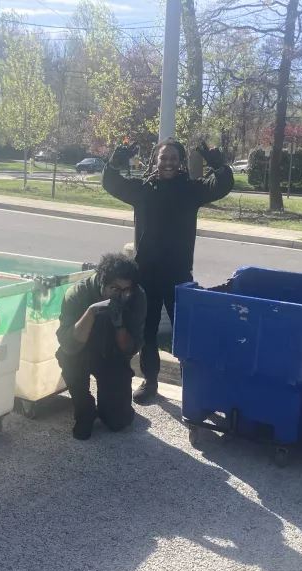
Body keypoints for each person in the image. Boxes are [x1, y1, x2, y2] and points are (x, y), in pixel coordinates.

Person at [102, 138, 234, 403]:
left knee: (184, 333)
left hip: (178, 275)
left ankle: (192, 386)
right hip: (147, 275)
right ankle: (151, 382)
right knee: (148, 332)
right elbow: (110, 182)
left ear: (181, 162)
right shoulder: (142, 189)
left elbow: (222, 185)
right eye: (163, 158)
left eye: (174, 158)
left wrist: (217, 163)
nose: (168, 163)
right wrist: (117, 160)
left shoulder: (190, 190)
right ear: (154, 161)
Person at [56, 253, 147, 440]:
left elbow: (130, 349)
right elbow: (68, 345)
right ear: (101, 283)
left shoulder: (137, 297)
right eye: (114, 289)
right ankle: (85, 409)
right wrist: (91, 312)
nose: (120, 295)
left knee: (117, 422)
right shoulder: (78, 294)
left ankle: (111, 407)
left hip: (112, 355)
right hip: (80, 353)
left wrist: (119, 324)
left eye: (126, 289)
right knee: (68, 359)